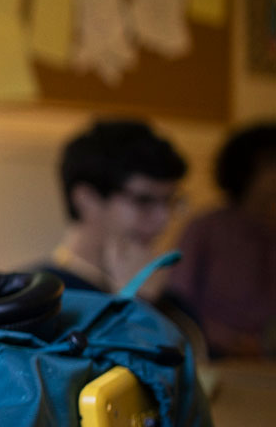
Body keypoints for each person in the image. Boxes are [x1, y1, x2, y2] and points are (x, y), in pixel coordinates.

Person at [34, 119, 187, 301]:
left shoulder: (175, 306)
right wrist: (137, 302)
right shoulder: (38, 298)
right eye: (144, 200)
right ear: (87, 200)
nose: (164, 218)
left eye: (170, 201)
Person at [169, 122, 276, 359]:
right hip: (212, 356)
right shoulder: (206, 229)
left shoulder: (270, 232)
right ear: (248, 169)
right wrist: (229, 340)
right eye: (270, 165)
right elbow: (178, 303)